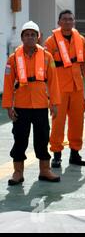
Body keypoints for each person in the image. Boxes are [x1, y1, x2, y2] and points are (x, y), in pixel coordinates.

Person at [2, 21, 61, 185]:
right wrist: (8, 106)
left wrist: (54, 103)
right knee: (20, 139)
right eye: (26, 34)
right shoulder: (13, 58)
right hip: (21, 106)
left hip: (41, 104)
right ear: (22, 38)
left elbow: (53, 81)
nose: (30, 37)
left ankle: (45, 170)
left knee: (42, 138)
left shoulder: (47, 57)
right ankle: (18, 172)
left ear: (38, 37)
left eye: (33, 34)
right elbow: (7, 83)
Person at [44, 10, 85, 168]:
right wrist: (48, 91)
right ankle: (56, 155)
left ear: (74, 22)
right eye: (64, 19)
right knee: (58, 122)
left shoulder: (81, 40)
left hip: (77, 87)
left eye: (70, 19)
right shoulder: (50, 42)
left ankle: (75, 153)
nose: (67, 22)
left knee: (78, 122)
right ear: (59, 22)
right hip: (58, 88)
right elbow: (45, 68)